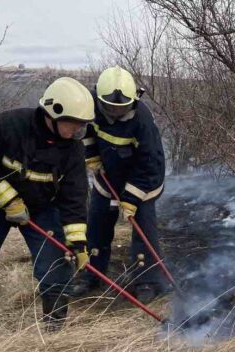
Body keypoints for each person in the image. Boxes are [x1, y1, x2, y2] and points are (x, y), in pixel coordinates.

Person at [0, 77, 94, 332]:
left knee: (57, 265)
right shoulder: (7, 126)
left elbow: (75, 197)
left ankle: (54, 333)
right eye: (74, 123)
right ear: (52, 113)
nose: (77, 130)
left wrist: (77, 243)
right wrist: (10, 202)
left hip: (43, 208)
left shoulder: (73, 150)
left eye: (82, 125)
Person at [69, 66, 167, 301]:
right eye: (110, 107)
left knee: (143, 229)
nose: (114, 112)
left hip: (142, 182)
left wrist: (131, 199)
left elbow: (149, 165)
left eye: (120, 108)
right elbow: (87, 132)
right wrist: (91, 155)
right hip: (108, 177)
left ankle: (148, 281)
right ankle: (90, 274)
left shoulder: (143, 122)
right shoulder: (92, 105)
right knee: (97, 225)